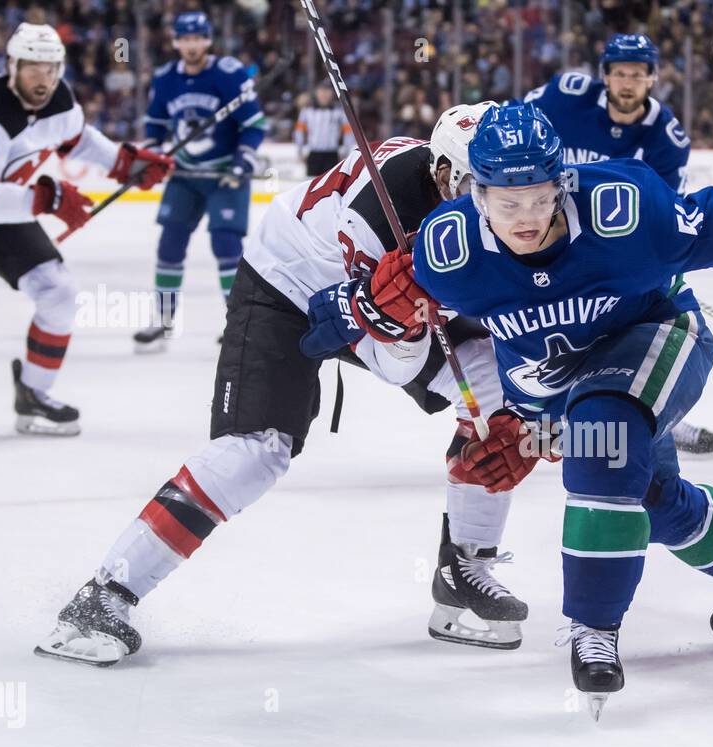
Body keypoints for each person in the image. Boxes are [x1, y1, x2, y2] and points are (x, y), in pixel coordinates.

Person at [386, 104, 713, 715]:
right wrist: (347, 312)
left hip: (660, 334)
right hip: (564, 381)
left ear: (562, 182)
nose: (526, 217)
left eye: (539, 196)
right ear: (478, 196)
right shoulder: (449, 253)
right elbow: (411, 314)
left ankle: (594, 632)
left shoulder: (624, 213)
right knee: (643, 502)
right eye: (507, 201)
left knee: (603, 446)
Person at [34, 102, 537, 667]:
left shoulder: (509, 207)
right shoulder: (378, 217)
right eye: (481, 187)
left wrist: (540, 412)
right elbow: (395, 363)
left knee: (499, 396)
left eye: (515, 190)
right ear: (443, 172)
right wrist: (403, 315)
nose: (500, 208)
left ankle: (463, 577)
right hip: (291, 287)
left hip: (386, 299)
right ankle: (103, 597)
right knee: (255, 450)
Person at [0, 22, 172, 434]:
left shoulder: (58, 98)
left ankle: (34, 395)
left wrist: (126, 162)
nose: (44, 78)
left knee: (58, 292)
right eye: (34, 68)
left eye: (52, 68)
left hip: (0, 212)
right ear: (12, 66)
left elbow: (79, 138)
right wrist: (48, 198)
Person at [520, 33, 713, 458]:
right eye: (619, 73)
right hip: (545, 235)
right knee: (538, 331)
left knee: (634, 328)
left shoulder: (667, 139)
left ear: (652, 79)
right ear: (605, 76)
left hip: (610, 252)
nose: (627, 83)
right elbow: (515, 128)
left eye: (637, 74)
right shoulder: (564, 98)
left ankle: (657, 416)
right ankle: (540, 421)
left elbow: (663, 217)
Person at [133, 10, 267, 350]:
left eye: (198, 38)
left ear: (208, 40)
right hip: (184, 174)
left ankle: (239, 322)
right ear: (176, 41)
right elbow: (155, 127)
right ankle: (163, 319)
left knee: (225, 246)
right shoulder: (165, 78)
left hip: (225, 175)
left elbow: (253, 125)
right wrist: (153, 156)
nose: (192, 45)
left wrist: (243, 160)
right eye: (185, 38)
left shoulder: (229, 73)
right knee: (170, 244)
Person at [294, 83, 352, 177]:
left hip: (332, 154)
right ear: (316, 93)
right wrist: (299, 152)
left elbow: (348, 133)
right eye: (321, 91)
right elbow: (299, 132)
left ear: (332, 93)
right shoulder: (307, 111)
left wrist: (346, 152)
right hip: (314, 154)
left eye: (327, 91)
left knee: (331, 185)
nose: (324, 94)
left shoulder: (340, 111)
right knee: (311, 184)